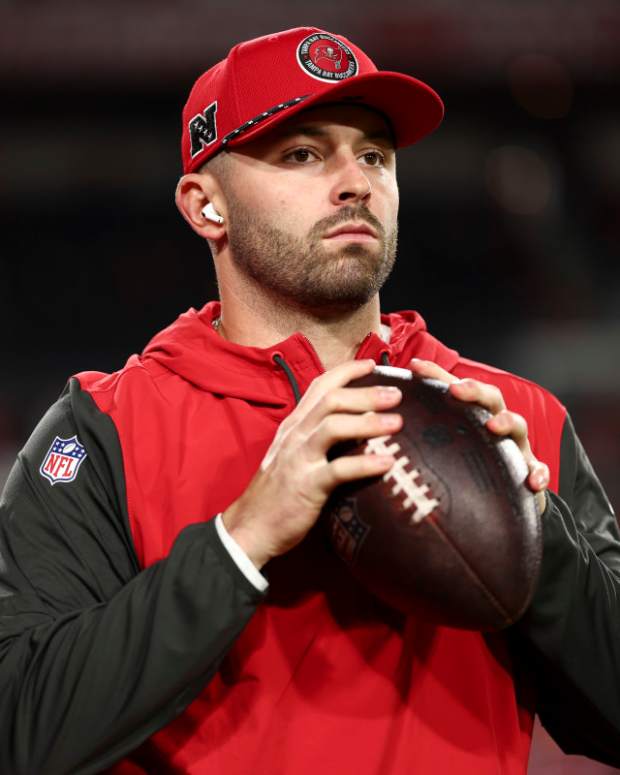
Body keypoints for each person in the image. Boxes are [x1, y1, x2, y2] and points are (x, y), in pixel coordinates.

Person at [1, 26, 619, 775]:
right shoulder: (102, 431)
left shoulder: (511, 415)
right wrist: (241, 540)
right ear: (206, 206)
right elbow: (22, 729)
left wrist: (534, 531)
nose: (355, 181)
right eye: (302, 153)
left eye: (374, 155)